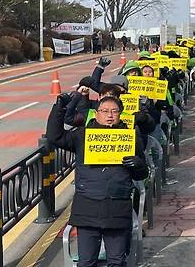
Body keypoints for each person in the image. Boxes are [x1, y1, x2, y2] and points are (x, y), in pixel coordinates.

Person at [46, 96, 148, 267]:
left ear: (120, 114)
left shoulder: (130, 137)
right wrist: (59, 108)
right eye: (105, 111)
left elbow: (141, 174)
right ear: (97, 113)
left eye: (114, 111)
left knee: (117, 261)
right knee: (86, 261)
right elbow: (55, 137)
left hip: (117, 207)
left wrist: (137, 164)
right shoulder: (83, 135)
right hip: (87, 207)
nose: (109, 115)